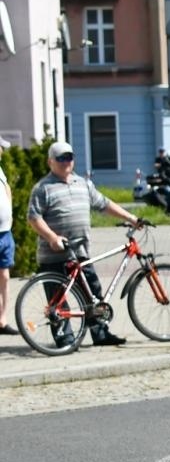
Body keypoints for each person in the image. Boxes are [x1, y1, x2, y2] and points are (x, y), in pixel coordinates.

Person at [26, 141, 142, 347]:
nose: (66, 162)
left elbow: (104, 204)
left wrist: (131, 218)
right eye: (60, 158)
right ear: (50, 162)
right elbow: (34, 218)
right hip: (53, 254)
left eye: (69, 157)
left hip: (80, 252)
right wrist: (52, 238)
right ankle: (66, 339)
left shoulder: (82, 183)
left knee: (93, 294)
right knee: (57, 300)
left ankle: (100, 334)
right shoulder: (42, 188)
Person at [0, 157, 14, 336]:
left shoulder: (1, 171)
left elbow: (7, 189)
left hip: (5, 232)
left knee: (4, 276)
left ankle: (3, 320)